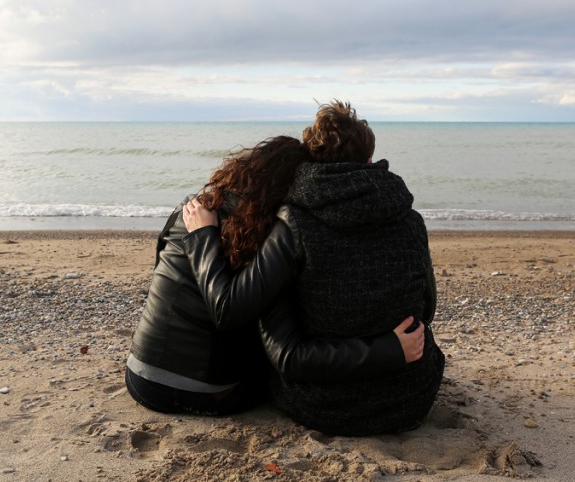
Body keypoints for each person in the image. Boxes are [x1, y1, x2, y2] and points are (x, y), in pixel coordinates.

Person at [182, 101, 443, 435]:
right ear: (369, 159)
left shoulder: (294, 223)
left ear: (311, 160)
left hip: (323, 406)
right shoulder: (410, 220)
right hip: (411, 397)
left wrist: (203, 236)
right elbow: (427, 308)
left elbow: (239, 314)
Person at [126, 135, 425, 417]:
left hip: (140, 378)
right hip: (213, 393)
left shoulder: (192, 209)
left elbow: (160, 269)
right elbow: (236, 316)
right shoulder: (268, 238)